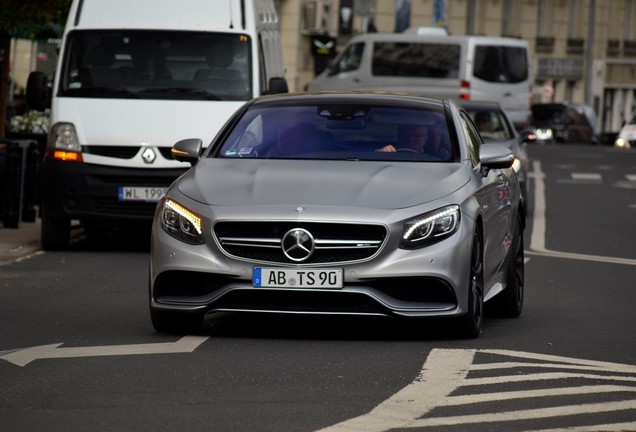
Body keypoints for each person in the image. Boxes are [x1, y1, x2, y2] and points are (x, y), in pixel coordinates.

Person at [376, 123, 450, 159]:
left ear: (425, 139)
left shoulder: (437, 158)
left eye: (417, 136)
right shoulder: (388, 153)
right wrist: (379, 154)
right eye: (405, 135)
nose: (410, 139)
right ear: (399, 137)